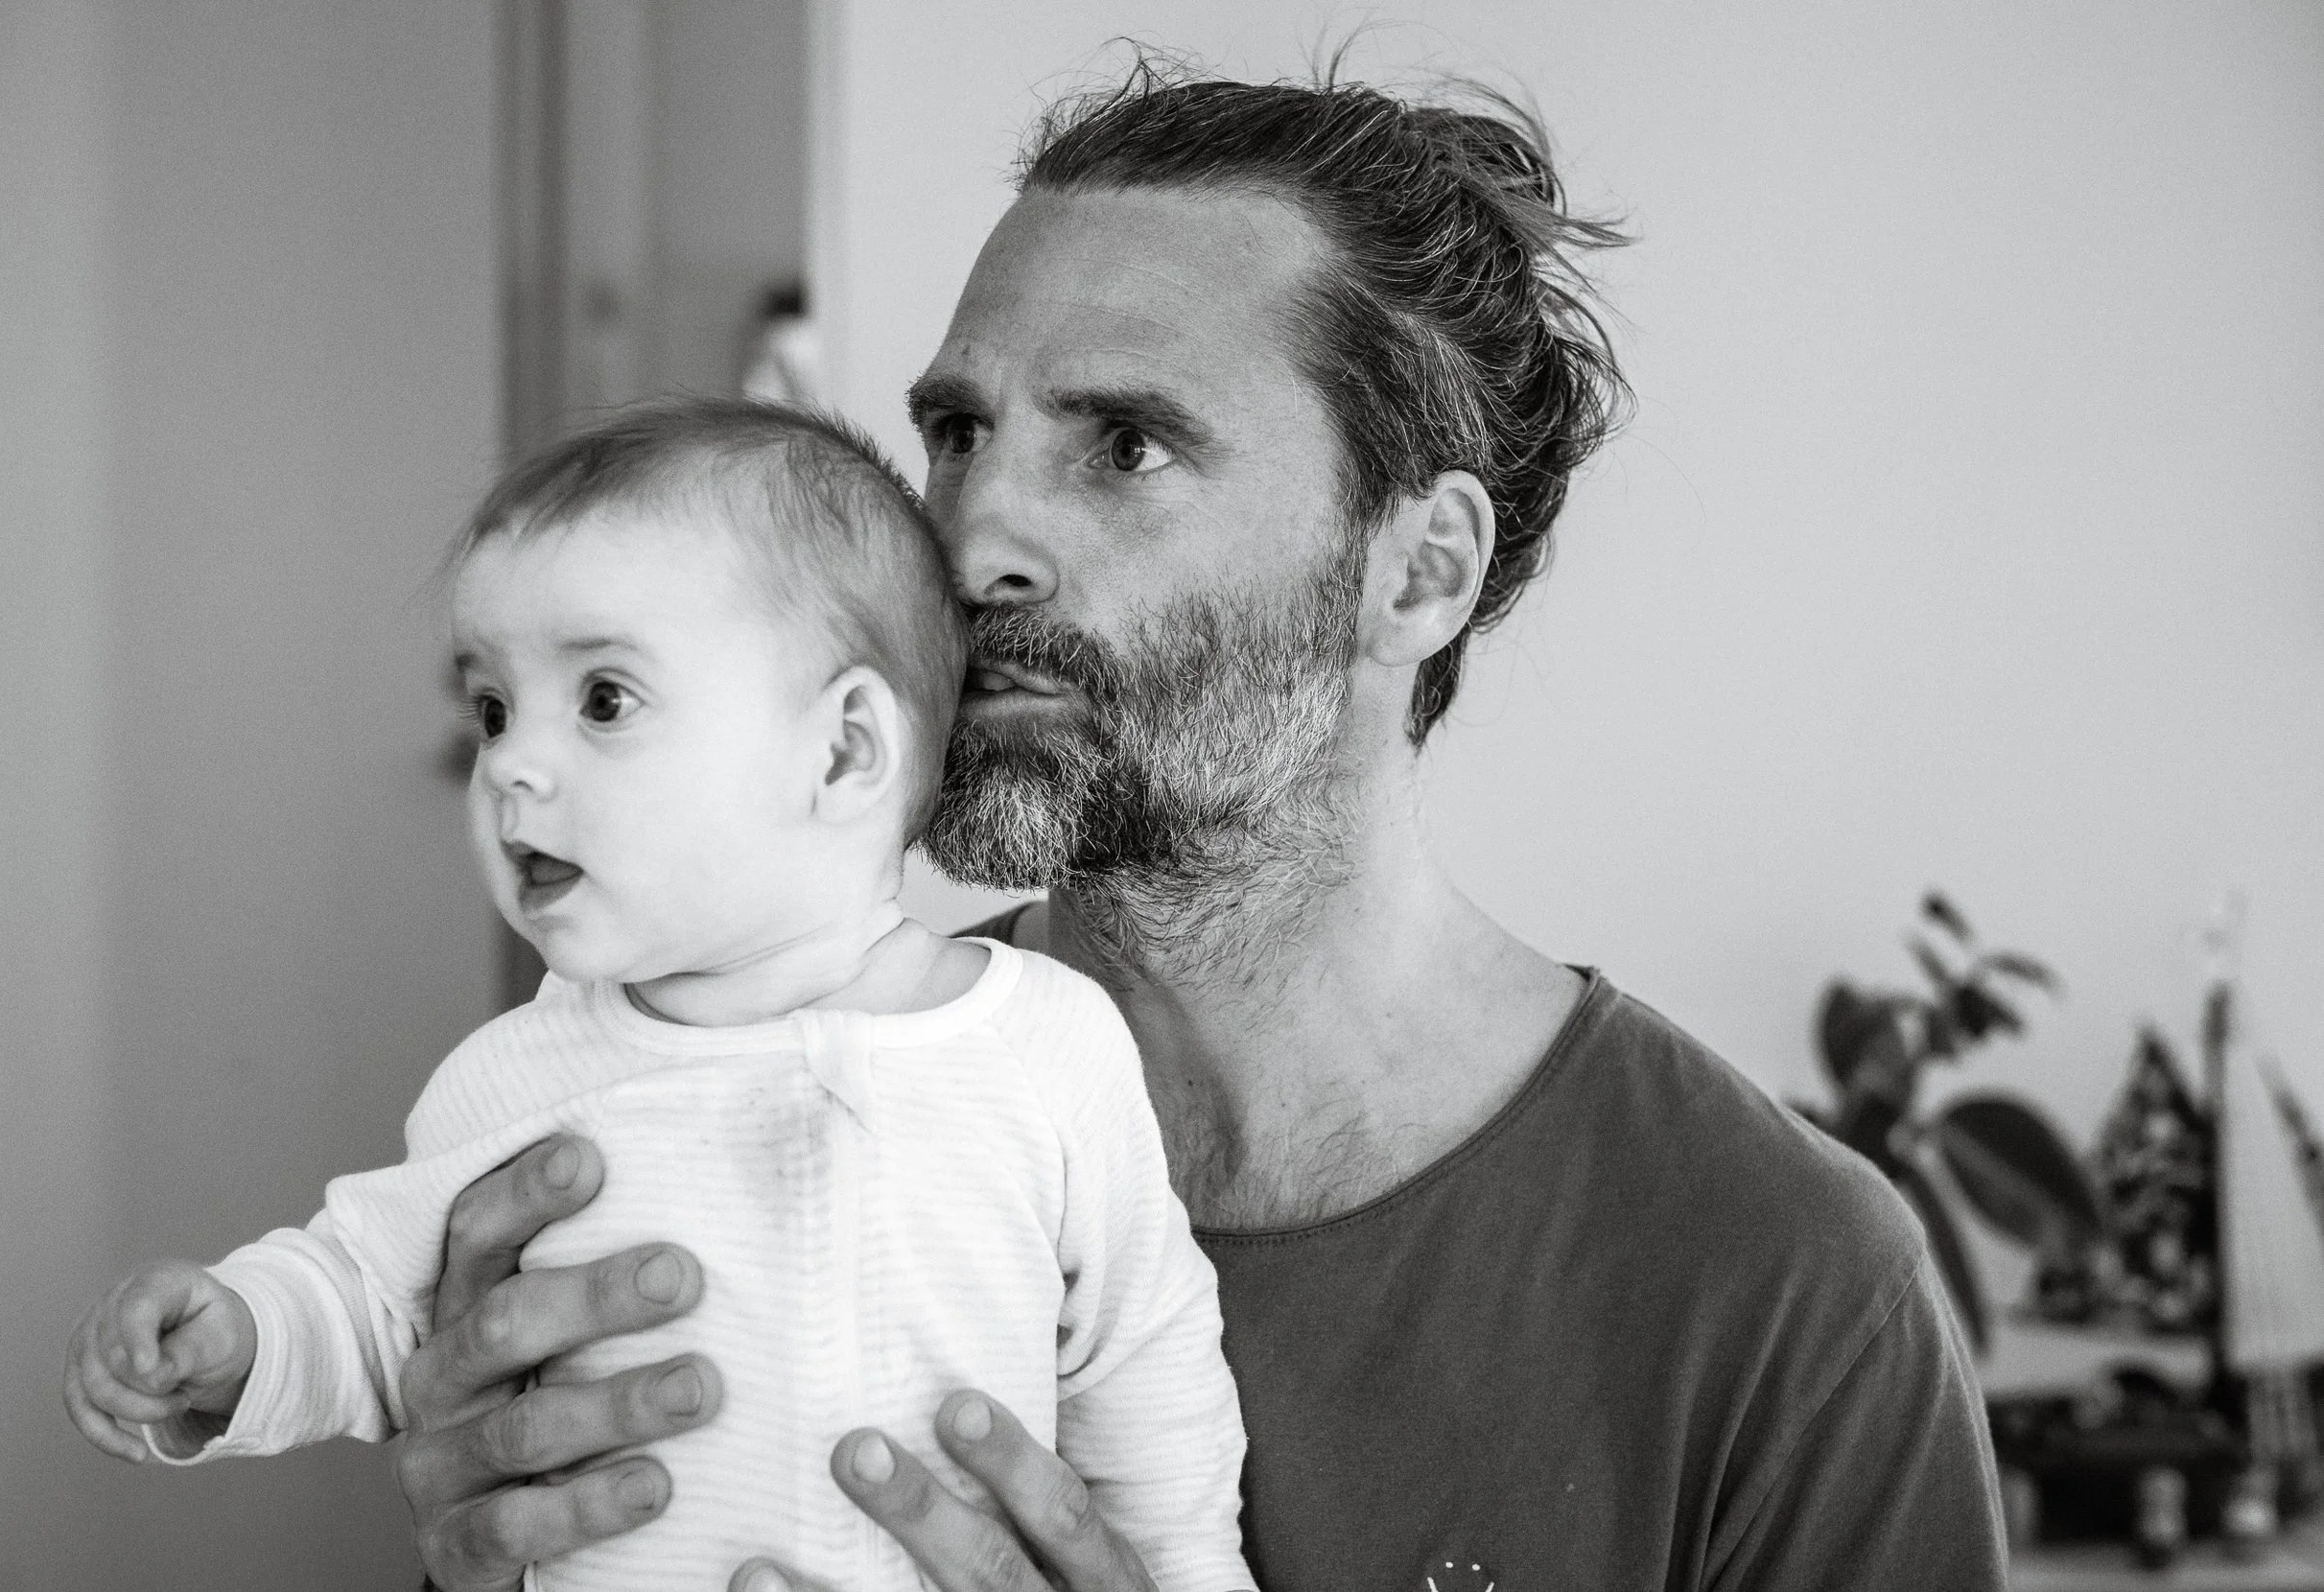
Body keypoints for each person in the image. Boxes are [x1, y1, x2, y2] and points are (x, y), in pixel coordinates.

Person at [390, 61, 2009, 1592]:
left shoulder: (1783, 1292)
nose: (967, 549)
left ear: (1421, 569)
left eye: (1127, 446)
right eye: (958, 436)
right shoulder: (707, 1105)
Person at [60, 401, 1254, 1592]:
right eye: (491, 708)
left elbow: (1144, 1380)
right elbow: (374, 1303)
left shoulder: (1041, 1046)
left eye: (603, 701)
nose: (512, 765)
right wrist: (245, 1335)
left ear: (841, 753)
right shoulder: (515, 1077)